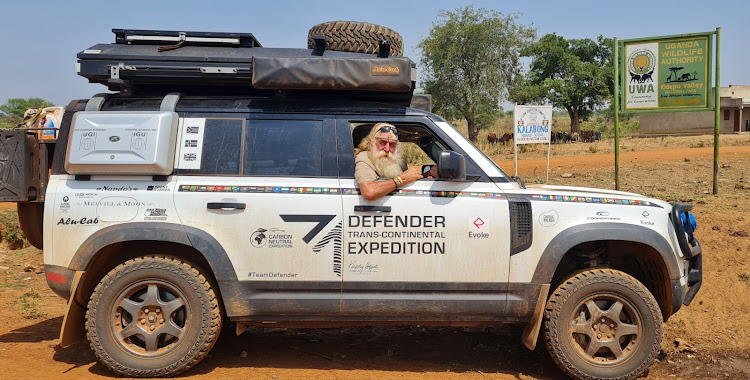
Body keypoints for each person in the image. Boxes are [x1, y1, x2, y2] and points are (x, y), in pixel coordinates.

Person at [354, 123, 436, 200]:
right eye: (382, 142)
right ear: (371, 143)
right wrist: (401, 179)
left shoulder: (399, 161)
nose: (387, 149)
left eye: (392, 144)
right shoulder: (365, 158)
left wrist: (425, 175)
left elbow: (407, 181)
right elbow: (369, 191)